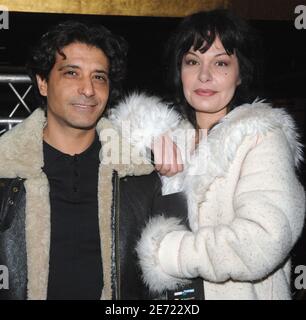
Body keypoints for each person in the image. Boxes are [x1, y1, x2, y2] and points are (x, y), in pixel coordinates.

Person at [110, 9, 306, 299]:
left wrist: (165, 253)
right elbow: (98, 132)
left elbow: (263, 241)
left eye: (221, 63)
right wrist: (149, 132)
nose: (204, 75)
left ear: (241, 75)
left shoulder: (260, 137)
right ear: (180, 70)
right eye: (192, 61)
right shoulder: (172, 136)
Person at [0, 20, 171, 300]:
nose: (88, 89)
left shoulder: (138, 178)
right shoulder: (5, 171)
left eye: (99, 77)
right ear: (43, 83)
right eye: (71, 73)